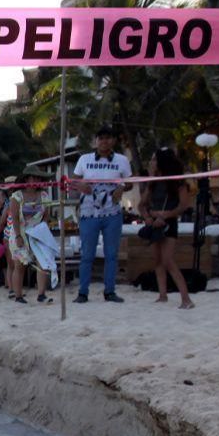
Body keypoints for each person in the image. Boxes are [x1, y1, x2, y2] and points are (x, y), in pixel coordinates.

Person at [72, 125, 132, 304]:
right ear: (96, 141)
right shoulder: (84, 159)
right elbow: (73, 180)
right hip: (88, 213)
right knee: (87, 255)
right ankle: (83, 292)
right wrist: (79, 185)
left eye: (107, 138)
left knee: (111, 254)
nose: (104, 141)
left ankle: (110, 291)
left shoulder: (122, 160)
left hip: (112, 213)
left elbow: (131, 182)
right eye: (101, 138)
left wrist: (122, 188)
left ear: (113, 141)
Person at [138, 148, 195, 309]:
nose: (151, 162)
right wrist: (149, 217)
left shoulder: (178, 182)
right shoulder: (153, 182)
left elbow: (183, 205)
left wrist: (166, 215)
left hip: (169, 223)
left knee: (168, 260)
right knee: (157, 260)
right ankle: (162, 295)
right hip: (154, 222)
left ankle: (186, 299)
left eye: (154, 160)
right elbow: (141, 205)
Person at [8, 168, 53, 305]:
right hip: (19, 232)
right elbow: (14, 218)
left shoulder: (44, 196)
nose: (36, 181)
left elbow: (46, 216)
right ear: (27, 179)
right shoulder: (16, 196)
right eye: (33, 178)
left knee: (42, 263)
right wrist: (18, 236)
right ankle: (18, 295)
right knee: (20, 265)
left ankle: (41, 294)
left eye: (38, 178)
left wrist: (41, 232)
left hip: (37, 233)